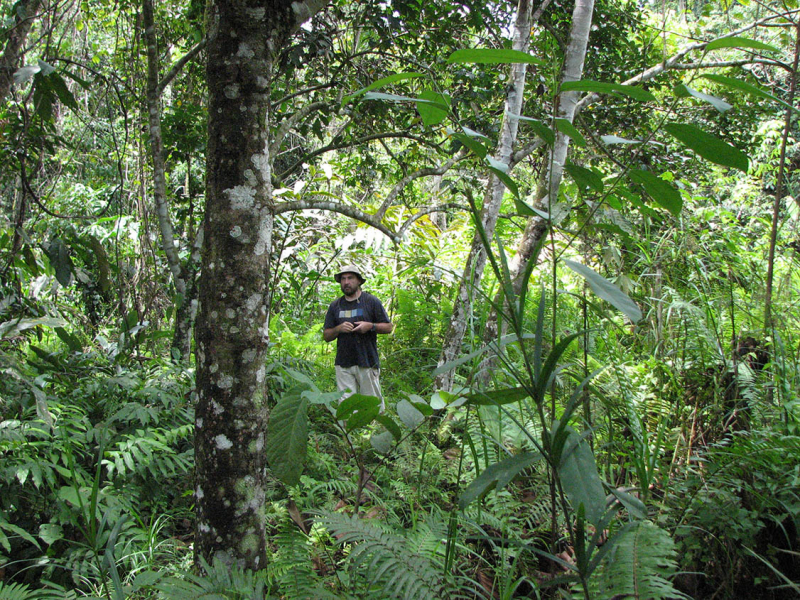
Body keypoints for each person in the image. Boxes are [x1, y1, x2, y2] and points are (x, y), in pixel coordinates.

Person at [323, 264, 393, 407]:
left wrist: (370, 326)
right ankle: (348, 429)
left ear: (359, 281)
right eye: (343, 279)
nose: (346, 282)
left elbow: (388, 327)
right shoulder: (335, 306)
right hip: (343, 363)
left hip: (367, 361)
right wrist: (338, 329)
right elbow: (327, 335)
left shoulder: (371, 302)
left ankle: (373, 429)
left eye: (350, 278)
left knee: (372, 405)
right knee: (346, 405)